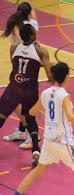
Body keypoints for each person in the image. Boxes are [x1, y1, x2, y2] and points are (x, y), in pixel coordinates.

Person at [14, 62, 74, 195]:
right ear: (67, 77)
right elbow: (70, 117)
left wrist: (45, 111)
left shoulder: (46, 93)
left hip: (48, 141)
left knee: (38, 171)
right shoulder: (64, 95)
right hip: (64, 142)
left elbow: (32, 112)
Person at [0, 24, 53, 166]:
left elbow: (16, 65)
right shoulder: (41, 51)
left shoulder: (13, 48)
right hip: (30, 90)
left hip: (14, 88)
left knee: (1, 117)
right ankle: (36, 150)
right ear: (32, 36)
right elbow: (50, 77)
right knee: (30, 120)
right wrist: (47, 64)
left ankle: (32, 145)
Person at [2, 0, 40, 150]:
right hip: (28, 67)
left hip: (22, 69)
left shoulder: (17, 28)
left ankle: (29, 135)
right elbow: (29, 0)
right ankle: (23, 130)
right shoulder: (32, 23)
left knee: (22, 103)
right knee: (22, 103)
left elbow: (14, 49)